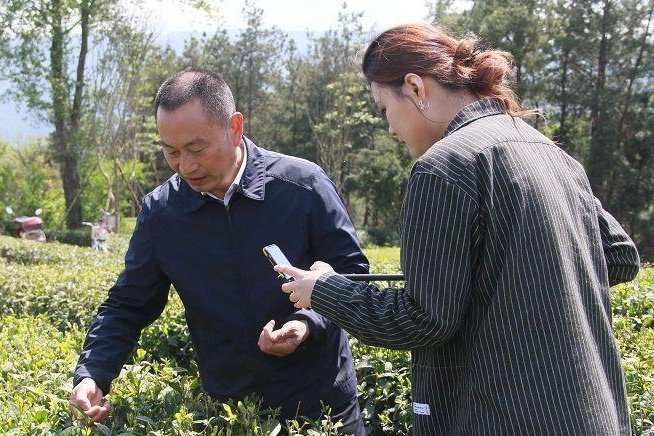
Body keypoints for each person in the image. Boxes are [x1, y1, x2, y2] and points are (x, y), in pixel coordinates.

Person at [275, 23, 640, 435]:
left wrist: (323, 289)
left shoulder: (444, 167)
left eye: (383, 110)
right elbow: (621, 257)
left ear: (415, 87)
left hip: (502, 419)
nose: (390, 129)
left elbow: (424, 320)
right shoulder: (547, 150)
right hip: (592, 414)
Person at [69, 68, 368, 435]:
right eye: (171, 152)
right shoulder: (162, 214)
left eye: (196, 148)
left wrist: (307, 323)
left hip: (324, 406)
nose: (185, 166)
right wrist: (93, 373)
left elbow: (352, 274)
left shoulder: (303, 186)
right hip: (233, 412)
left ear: (235, 127)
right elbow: (128, 304)